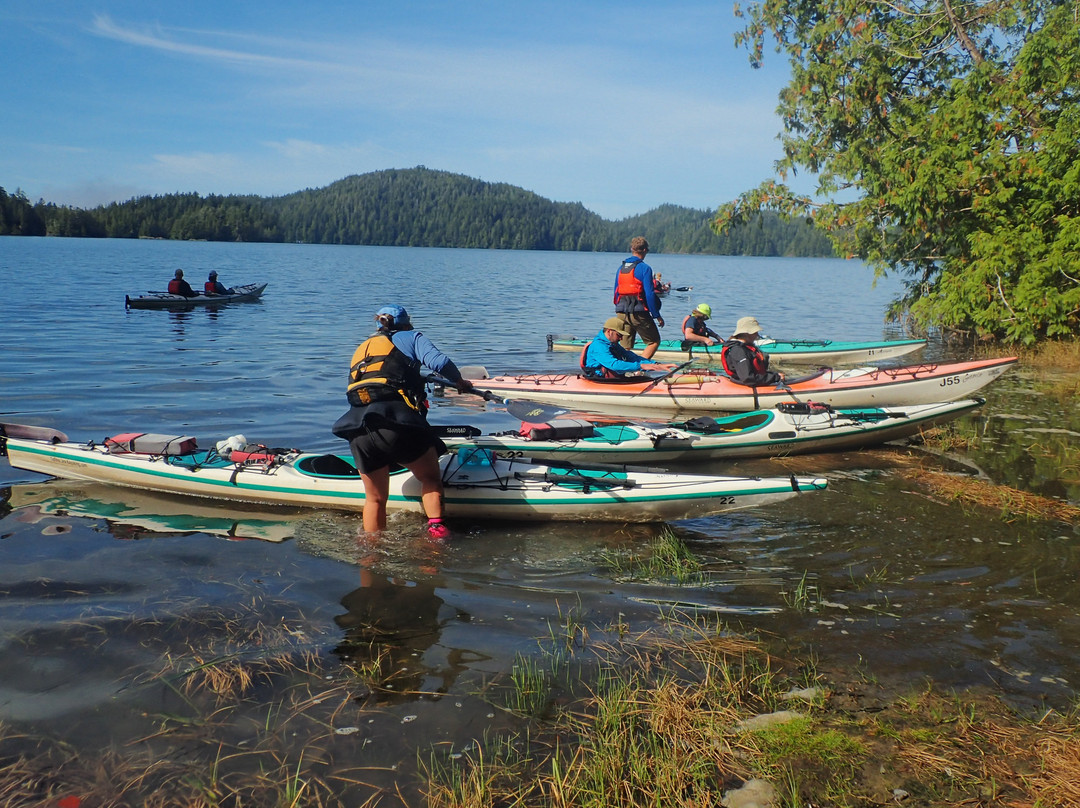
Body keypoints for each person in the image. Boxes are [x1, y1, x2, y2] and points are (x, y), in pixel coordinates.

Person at [331, 304, 474, 540]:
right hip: (396, 425)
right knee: (430, 478)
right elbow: (439, 362)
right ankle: (436, 533)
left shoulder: (363, 347)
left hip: (358, 429)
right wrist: (459, 381)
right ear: (407, 324)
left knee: (375, 499)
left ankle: (371, 549)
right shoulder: (411, 337)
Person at [612, 236, 665, 359]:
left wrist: (619, 309)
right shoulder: (645, 268)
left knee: (625, 346)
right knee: (654, 341)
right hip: (638, 312)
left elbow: (616, 293)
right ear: (645, 250)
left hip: (621, 312)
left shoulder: (621, 268)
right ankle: (639, 369)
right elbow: (650, 294)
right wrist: (657, 315)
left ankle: (622, 372)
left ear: (632, 249)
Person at [581, 317, 676, 379]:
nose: (621, 338)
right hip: (599, 379)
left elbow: (632, 357)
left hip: (614, 377)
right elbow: (614, 365)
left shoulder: (612, 344)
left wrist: (657, 365)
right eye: (619, 335)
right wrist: (641, 366)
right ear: (610, 331)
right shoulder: (599, 346)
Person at [720, 316, 783, 386]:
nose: (757, 336)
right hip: (745, 384)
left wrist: (774, 375)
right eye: (755, 333)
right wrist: (775, 377)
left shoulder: (745, 347)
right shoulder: (738, 351)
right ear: (746, 334)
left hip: (750, 380)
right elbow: (748, 378)